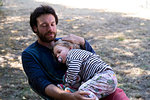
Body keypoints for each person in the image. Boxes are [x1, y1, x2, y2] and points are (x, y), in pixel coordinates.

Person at [22, 5, 129, 100]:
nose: (50, 29)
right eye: (44, 25)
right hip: (64, 95)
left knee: (118, 96)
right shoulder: (30, 54)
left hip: (94, 85)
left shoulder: (66, 42)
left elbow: (94, 60)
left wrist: (83, 42)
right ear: (35, 28)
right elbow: (41, 84)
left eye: (53, 24)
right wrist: (69, 96)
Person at [53, 40, 118, 100]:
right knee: (86, 94)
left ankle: (70, 88)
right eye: (56, 56)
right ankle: (71, 90)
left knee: (83, 92)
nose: (58, 55)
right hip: (108, 79)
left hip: (104, 75)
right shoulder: (80, 58)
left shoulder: (73, 54)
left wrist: (68, 83)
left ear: (70, 48)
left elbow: (73, 71)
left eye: (59, 52)